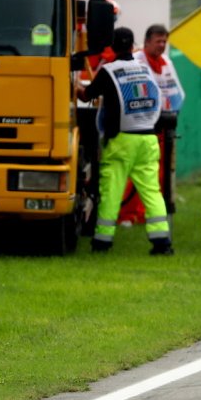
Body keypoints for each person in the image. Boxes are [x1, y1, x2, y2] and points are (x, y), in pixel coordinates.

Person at [75, 27, 174, 256]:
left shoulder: (109, 71)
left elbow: (86, 96)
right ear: (132, 46)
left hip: (121, 141)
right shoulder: (144, 69)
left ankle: (102, 242)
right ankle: (162, 243)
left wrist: (75, 87)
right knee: (151, 191)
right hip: (149, 138)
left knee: (111, 192)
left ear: (112, 47)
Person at [118, 23, 185, 225]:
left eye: (165, 41)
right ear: (146, 42)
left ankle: (148, 212)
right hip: (139, 128)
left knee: (158, 172)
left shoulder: (166, 63)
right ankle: (127, 214)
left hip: (163, 128)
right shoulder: (137, 62)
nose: (162, 45)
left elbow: (176, 93)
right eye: (158, 41)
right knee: (136, 172)